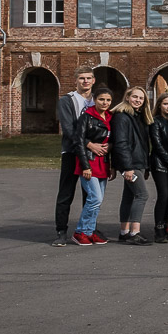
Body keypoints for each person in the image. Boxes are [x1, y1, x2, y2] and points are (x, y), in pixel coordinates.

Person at [52, 66, 97, 245]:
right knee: (66, 193)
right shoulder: (67, 100)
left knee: (91, 195)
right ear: (76, 80)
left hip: (92, 154)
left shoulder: (98, 100)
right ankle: (61, 231)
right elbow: (69, 129)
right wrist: (88, 143)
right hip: (72, 152)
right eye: (81, 78)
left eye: (88, 78)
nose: (85, 81)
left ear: (93, 80)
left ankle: (88, 229)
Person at [72, 85, 114, 246]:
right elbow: (78, 140)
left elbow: (112, 141)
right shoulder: (87, 116)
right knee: (94, 198)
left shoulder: (110, 117)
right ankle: (80, 232)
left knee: (98, 200)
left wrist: (110, 157)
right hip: (88, 163)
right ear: (95, 100)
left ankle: (89, 232)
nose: (105, 102)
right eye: (101, 99)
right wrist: (85, 166)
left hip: (103, 163)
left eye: (108, 100)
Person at [110, 86, 153, 245]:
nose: (138, 100)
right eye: (135, 97)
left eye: (141, 98)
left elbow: (142, 145)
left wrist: (146, 167)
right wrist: (127, 168)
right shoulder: (122, 117)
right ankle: (135, 232)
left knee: (128, 196)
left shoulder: (137, 117)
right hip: (131, 164)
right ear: (127, 97)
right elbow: (120, 144)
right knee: (142, 195)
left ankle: (124, 231)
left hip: (138, 163)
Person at [148, 92, 168, 243]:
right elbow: (157, 145)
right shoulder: (155, 121)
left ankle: (167, 221)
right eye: (166, 104)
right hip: (160, 164)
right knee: (164, 194)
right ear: (159, 105)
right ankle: (159, 227)